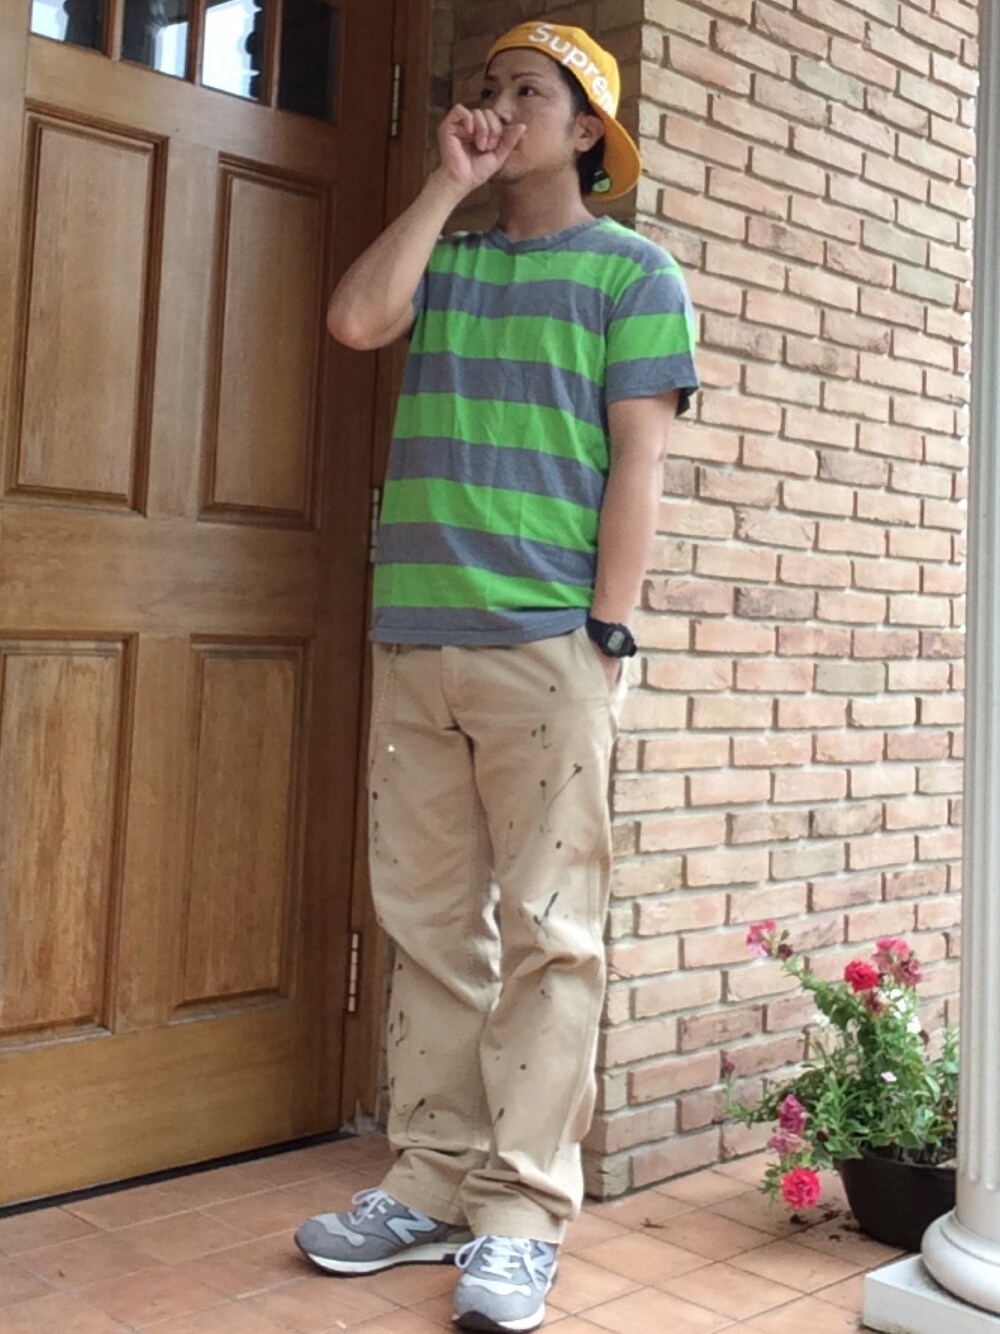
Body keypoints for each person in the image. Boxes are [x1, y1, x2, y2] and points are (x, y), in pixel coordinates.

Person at [295, 21, 699, 1333]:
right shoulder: (451, 259)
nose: (500, 104)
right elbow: (357, 318)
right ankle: (430, 1181)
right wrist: (443, 183)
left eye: (532, 91)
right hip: (417, 634)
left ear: (587, 131)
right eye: (488, 87)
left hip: (546, 646)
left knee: (551, 934)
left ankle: (520, 1215)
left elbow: (639, 463)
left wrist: (608, 634)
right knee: (428, 927)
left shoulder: (634, 272)